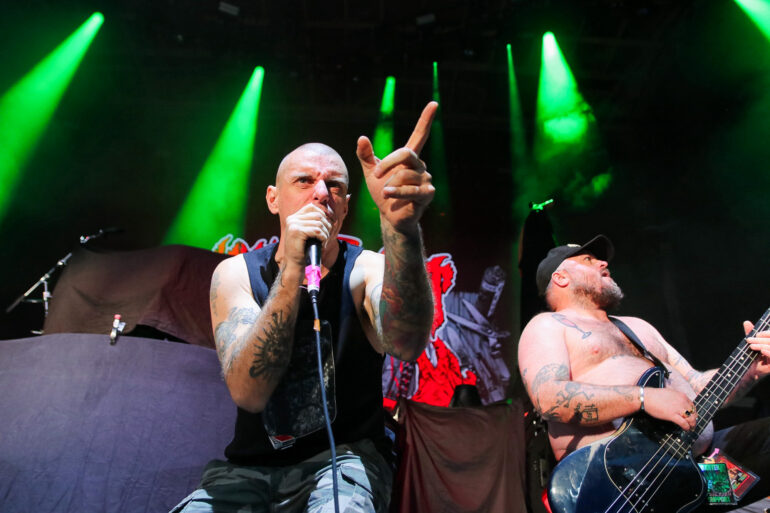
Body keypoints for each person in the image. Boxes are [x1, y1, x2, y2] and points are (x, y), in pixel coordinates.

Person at [172, 102, 438, 513]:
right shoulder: (236, 274)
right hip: (249, 472)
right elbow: (248, 393)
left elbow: (406, 344)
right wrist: (294, 268)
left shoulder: (365, 270)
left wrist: (401, 230)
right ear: (273, 199)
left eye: (335, 186)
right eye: (304, 181)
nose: (321, 193)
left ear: (345, 207)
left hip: (343, 462)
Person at [518, 235, 770, 509]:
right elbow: (549, 397)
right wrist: (643, 398)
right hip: (623, 488)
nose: (603, 263)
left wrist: (751, 370)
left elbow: (698, 387)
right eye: (589, 259)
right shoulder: (549, 325)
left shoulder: (638, 327)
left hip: (695, 473)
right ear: (561, 278)